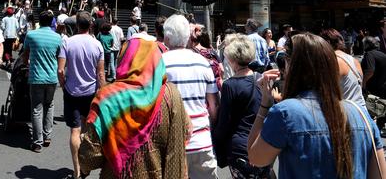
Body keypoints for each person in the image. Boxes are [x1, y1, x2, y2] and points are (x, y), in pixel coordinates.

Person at [248, 33, 386, 179]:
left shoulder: (285, 113)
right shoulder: (361, 114)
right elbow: (379, 175)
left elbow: (256, 158)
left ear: (292, 66)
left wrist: (265, 105)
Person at [78, 33, 190, 179]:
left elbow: (90, 157)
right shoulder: (171, 94)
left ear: (124, 58)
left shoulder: (107, 99)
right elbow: (183, 136)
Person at [163, 14, 219, 179]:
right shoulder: (203, 63)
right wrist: (209, 128)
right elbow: (214, 105)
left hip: (171, 142)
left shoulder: (160, 62)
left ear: (167, 37)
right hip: (201, 140)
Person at [212, 34, 272, 178]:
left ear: (232, 60)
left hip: (240, 146)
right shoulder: (261, 78)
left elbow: (224, 122)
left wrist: (214, 139)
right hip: (262, 142)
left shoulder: (230, 85)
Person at [58, 11, 105, 179]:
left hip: (72, 91)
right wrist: (103, 91)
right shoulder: (97, 45)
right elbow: (100, 74)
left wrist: (63, 85)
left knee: (75, 131)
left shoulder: (67, 43)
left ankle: (77, 170)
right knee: (87, 130)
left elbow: (60, 70)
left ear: (77, 24)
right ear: (91, 25)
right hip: (90, 92)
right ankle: (85, 166)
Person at [22, 10, 63, 152]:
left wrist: (27, 64)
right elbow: (60, 57)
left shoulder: (31, 35)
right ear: (52, 21)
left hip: (36, 76)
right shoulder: (58, 37)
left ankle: (37, 141)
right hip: (52, 77)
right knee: (49, 105)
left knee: (37, 109)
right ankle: (47, 136)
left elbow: (24, 55)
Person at [320, 28, 366, 109]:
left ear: (327, 42)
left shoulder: (333, 61)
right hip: (361, 111)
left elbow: (327, 92)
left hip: (346, 114)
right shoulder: (354, 60)